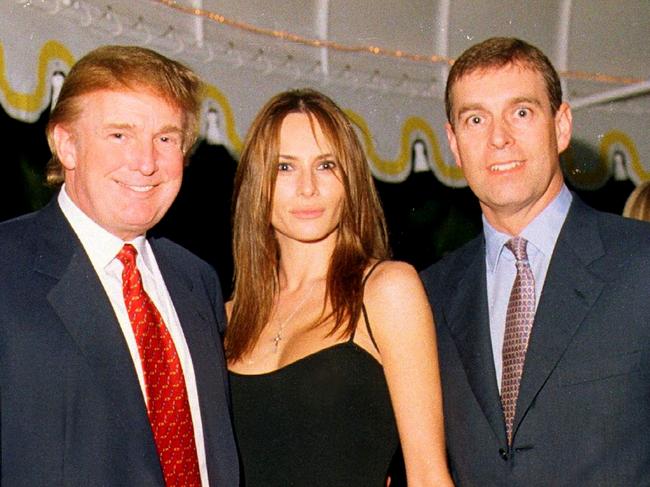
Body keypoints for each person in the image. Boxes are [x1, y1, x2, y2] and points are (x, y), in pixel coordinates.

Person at [0, 46, 239, 486]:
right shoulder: (7, 266)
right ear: (66, 144)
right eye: (119, 135)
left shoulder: (196, 280)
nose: (146, 163)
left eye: (165, 139)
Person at [421, 37, 650, 486]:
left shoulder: (640, 262)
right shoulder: (430, 296)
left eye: (521, 112)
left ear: (561, 126)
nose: (499, 138)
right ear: (453, 142)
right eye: (475, 119)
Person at [225, 88, 453, 487]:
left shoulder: (386, 291)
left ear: (349, 180)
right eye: (285, 168)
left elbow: (428, 476)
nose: (308, 187)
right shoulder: (227, 316)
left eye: (326, 165)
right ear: (257, 184)